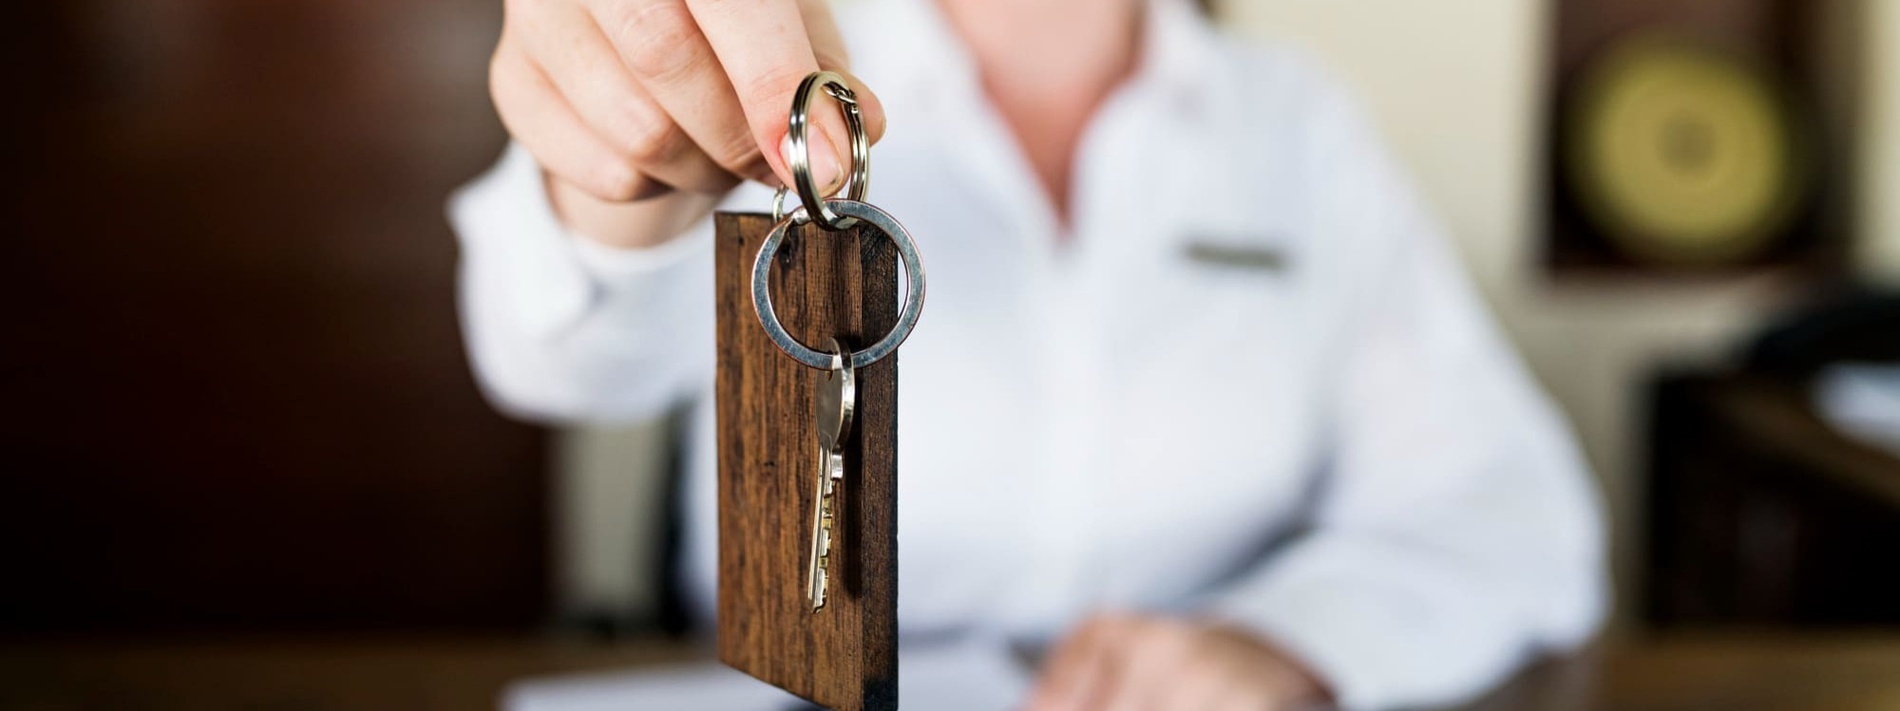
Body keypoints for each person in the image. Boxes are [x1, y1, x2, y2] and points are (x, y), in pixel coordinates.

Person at [450, 0, 1607, 708]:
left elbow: (1515, 517)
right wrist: (626, 176)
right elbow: (553, 358)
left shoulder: (1296, 128)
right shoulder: (766, 62)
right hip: (787, 686)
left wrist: (1288, 642)